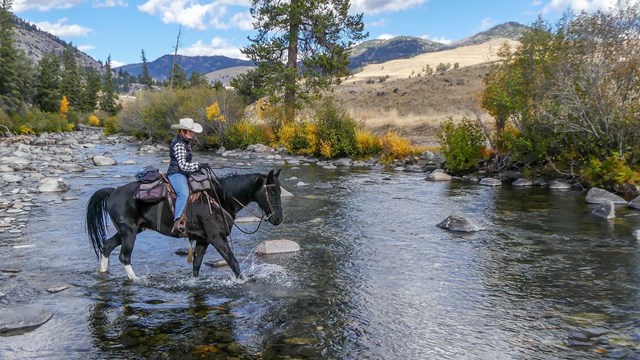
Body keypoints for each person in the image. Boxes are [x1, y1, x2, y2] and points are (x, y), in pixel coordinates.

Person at [167, 117, 210, 236]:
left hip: (183, 172)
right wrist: (198, 165)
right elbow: (182, 165)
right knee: (184, 193)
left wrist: (198, 168)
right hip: (176, 173)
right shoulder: (180, 144)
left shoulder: (185, 143)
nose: (192, 133)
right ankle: (178, 222)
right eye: (190, 131)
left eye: (192, 131)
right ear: (182, 131)